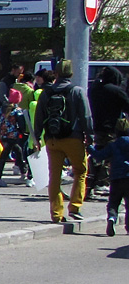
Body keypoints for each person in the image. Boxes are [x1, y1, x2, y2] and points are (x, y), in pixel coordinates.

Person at [33, 59, 93, 223]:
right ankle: (74, 206)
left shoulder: (47, 92)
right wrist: (90, 136)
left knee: (54, 176)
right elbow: (86, 116)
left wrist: (37, 136)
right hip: (74, 138)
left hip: (52, 139)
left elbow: (39, 116)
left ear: (56, 74)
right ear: (71, 74)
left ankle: (56, 213)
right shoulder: (77, 91)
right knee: (80, 171)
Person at [88, 116, 129, 236]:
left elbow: (99, 156)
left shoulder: (113, 145)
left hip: (116, 178)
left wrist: (90, 148)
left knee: (113, 202)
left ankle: (112, 218)